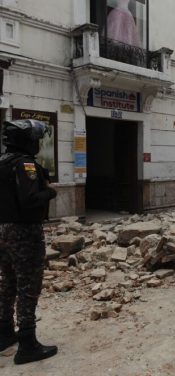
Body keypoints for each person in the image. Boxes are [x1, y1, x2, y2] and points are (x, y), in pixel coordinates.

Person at [0, 120, 58, 365]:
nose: (37, 143)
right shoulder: (25, 165)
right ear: (26, 141)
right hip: (24, 232)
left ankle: (3, 333)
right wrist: (50, 192)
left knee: (8, 281)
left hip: (3, 231)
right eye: (34, 139)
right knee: (28, 285)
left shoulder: (3, 162)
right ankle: (27, 344)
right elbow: (31, 200)